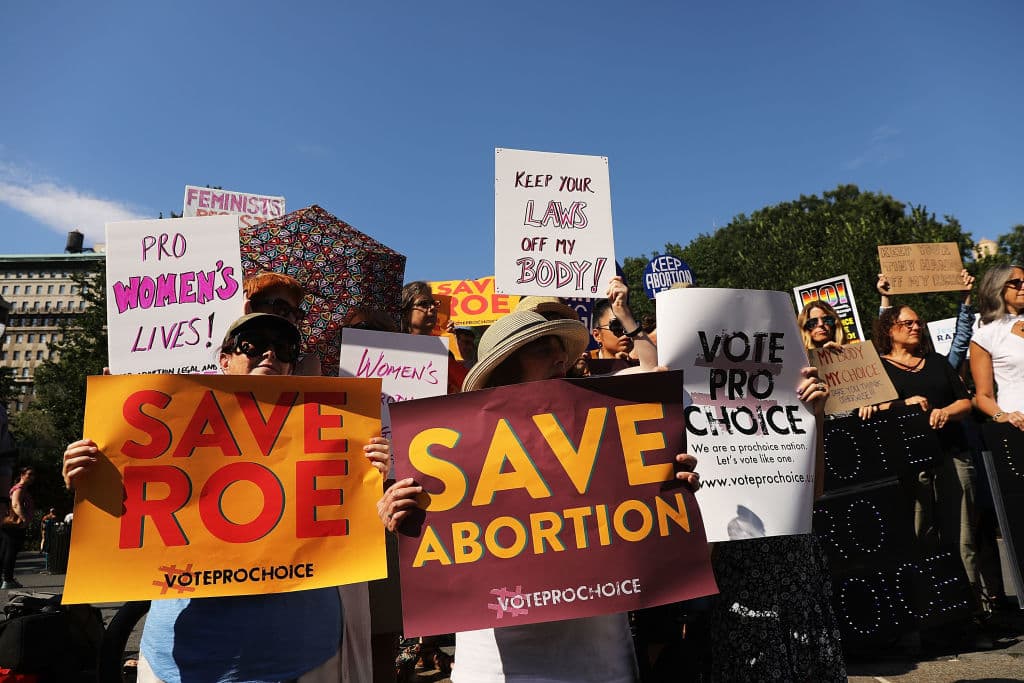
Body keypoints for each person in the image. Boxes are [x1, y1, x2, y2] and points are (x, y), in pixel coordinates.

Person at [378, 309, 704, 683]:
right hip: (496, 670)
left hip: (601, 665)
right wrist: (397, 512)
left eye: (560, 348)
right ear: (504, 367)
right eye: (543, 349)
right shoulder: (453, 452)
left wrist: (669, 487)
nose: (560, 357)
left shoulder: (606, 431)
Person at [62, 313, 391, 683]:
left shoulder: (333, 428)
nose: (270, 354)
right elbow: (126, 518)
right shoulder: (170, 422)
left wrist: (372, 479)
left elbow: (358, 528)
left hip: (303, 655)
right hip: (185, 656)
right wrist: (90, 478)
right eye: (252, 343)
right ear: (224, 358)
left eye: (284, 349)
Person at [869, 306, 983, 621]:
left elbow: (965, 401)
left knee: (961, 535)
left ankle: (969, 610)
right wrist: (901, 404)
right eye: (907, 323)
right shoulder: (878, 368)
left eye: (918, 321)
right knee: (917, 534)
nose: (915, 327)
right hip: (908, 464)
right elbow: (869, 408)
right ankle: (924, 613)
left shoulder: (937, 362)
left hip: (951, 455)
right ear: (889, 330)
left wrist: (947, 411)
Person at [970, 263, 1024, 430]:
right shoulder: (986, 335)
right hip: (1019, 423)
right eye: (1017, 283)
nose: (1023, 287)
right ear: (998, 287)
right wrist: (1002, 416)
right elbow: (984, 395)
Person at [243, 271, 322, 376]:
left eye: (296, 313)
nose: (291, 318)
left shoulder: (303, 365)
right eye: (282, 309)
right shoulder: (226, 350)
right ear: (250, 306)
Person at [401, 281, 466, 395]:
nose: (432, 308)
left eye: (433, 303)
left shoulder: (443, 352)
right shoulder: (389, 350)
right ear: (405, 312)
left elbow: (468, 384)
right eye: (423, 304)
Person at [1, 467, 35, 589]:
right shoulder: (19, 489)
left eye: (33, 475)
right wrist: (24, 519)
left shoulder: (22, 489)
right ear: (22, 475)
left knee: (5, 551)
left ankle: (5, 579)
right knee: (11, 552)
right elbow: (15, 504)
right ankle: (8, 579)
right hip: (15, 525)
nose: (32, 477)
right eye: (29, 474)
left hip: (9, 525)